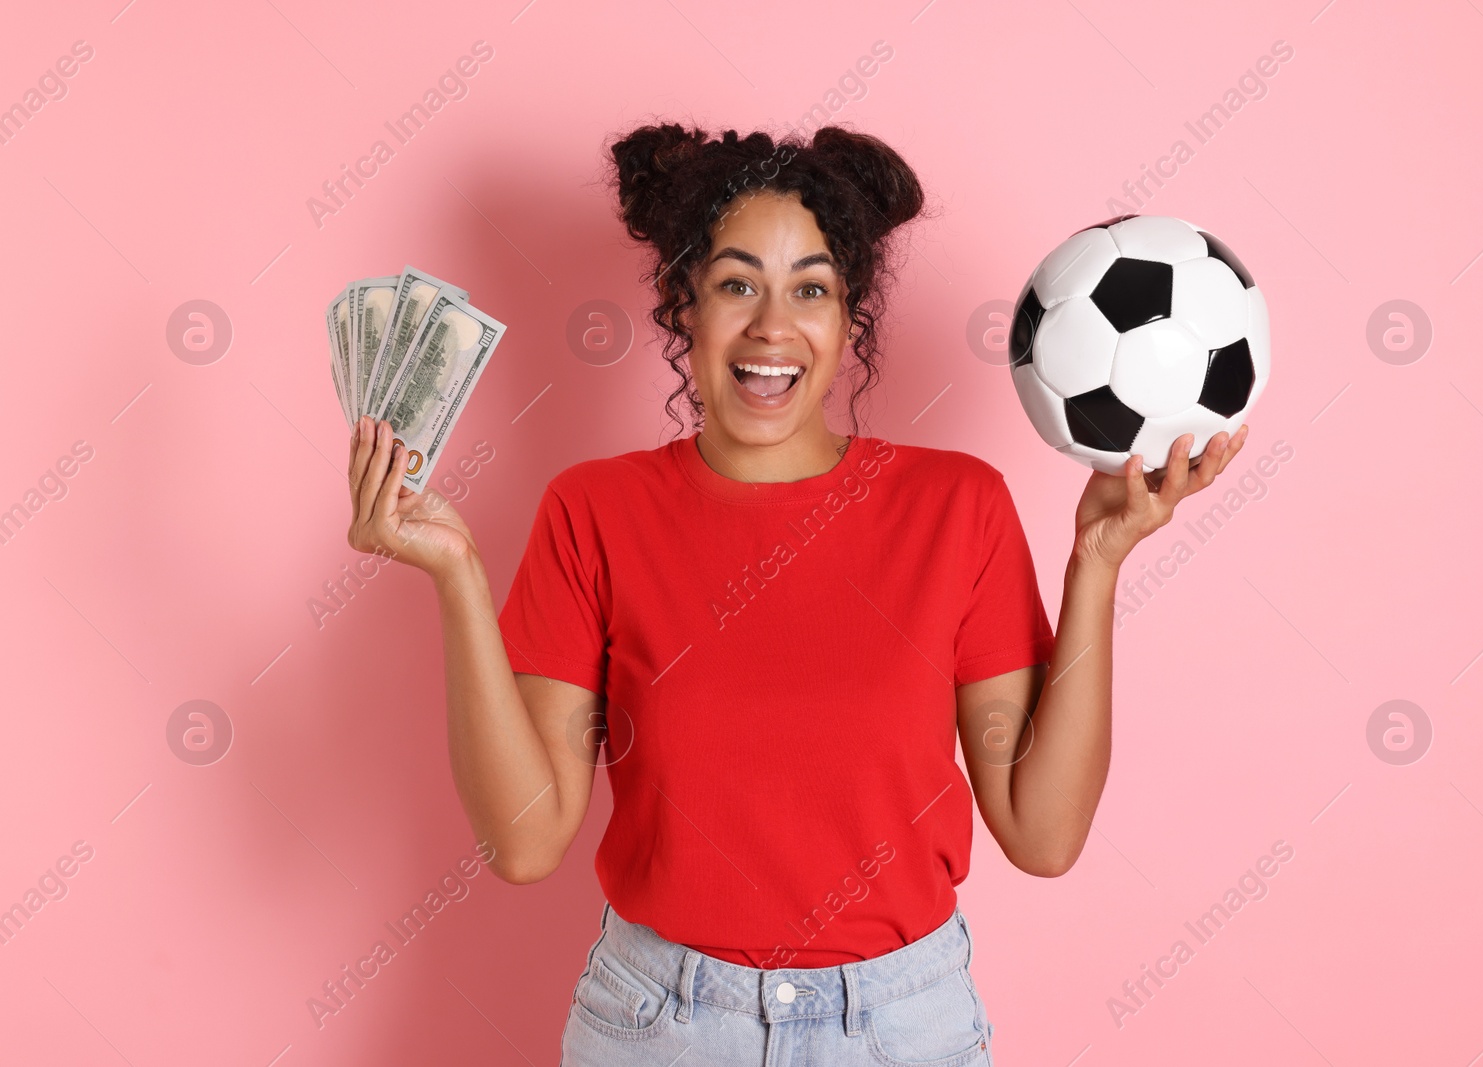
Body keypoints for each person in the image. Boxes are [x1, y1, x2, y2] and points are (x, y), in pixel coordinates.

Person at [345, 122, 1247, 1065]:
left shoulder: (957, 506)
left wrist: (1096, 563)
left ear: (846, 314)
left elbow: (1044, 831)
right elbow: (525, 847)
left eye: (810, 289)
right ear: (681, 304)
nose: (773, 327)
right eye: (737, 284)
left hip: (903, 1026)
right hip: (661, 1024)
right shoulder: (595, 512)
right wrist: (455, 574)